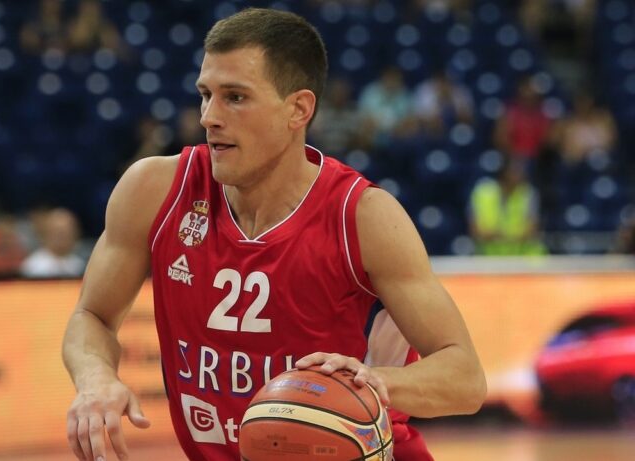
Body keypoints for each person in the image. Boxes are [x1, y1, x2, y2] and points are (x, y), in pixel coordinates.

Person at [63, 8, 486, 461]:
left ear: (298, 109)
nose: (209, 116)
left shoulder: (362, 216)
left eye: (235, 97)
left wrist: (374, 382)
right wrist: (96, 378)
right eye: (205, 95)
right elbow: (92, 315)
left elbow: (465, 378)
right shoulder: (154, 190)